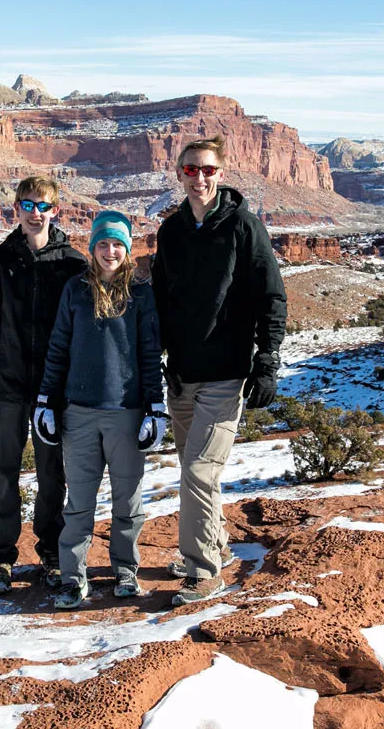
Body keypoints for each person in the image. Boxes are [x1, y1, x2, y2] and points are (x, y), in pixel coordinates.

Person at [151, 135, 287, 605]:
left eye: (208, 169)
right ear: (179, 174)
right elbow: (161, 304)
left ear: (221, 174)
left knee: (199, 473)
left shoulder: (244, 227)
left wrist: (266, 360)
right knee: (195, 471)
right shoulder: (170, 232)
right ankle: (215, 545)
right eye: (191, 170)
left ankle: (205, 571)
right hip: (182, 375)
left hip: (226, 375)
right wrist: (160, 361)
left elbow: (272, 296)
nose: (200, 178)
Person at [34, 210, 166, 609]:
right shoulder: (75, 290)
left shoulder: (141, 293)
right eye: (103, 244)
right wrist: (46, 401)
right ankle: (75, 579)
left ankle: (126, 570)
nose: (110, 251)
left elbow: (149, 353)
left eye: (118, 245)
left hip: (126, 412)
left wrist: (155, 407)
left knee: (128, 501)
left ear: (127, 249)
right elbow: (57, 348)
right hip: (79, 413)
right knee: (79, 505)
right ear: (92, 248)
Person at [0, 176, 87, 595]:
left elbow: (83, 330)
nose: (35, 212)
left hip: (55, 390)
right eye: (27, 204)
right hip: (8, 386)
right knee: (4, 474)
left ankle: (52, 554)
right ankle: (2, 557)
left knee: (53, 475)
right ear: (15, 209)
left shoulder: (72, 264)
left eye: (43, 205)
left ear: (56, 210)